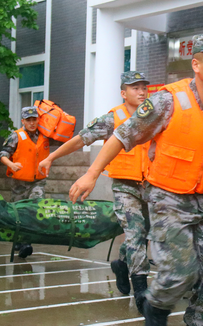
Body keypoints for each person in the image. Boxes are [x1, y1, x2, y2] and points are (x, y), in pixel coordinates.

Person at [68, 35, 203, 326]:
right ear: (196, 64)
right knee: (181, 273)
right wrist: (91, 173)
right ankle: (157, 306)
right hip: (167, 197)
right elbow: (122, 135)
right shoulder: (167, 102)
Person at [39, 71, 152, 311]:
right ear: (124, 93)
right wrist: (52, 156)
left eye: (144, 87)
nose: (142, 92)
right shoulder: (113, 118)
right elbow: (81, 140)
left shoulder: (154, 115)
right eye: (135, 88)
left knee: (143, 233)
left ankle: (121, 264)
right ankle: (142, 291)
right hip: (125, 185)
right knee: (135, 232)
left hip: (152, 184)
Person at [0, 106, 50, 258]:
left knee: (34, 207)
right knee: (19, 213)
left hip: (38, 181)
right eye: (29, 120)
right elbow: (2, 154)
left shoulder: (45, 135)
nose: (32, 123)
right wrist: (11, 164)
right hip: (19, 184)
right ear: (23, 121)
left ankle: (27, 243)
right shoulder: (15, 136)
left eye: (34, 119)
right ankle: (19, 240)